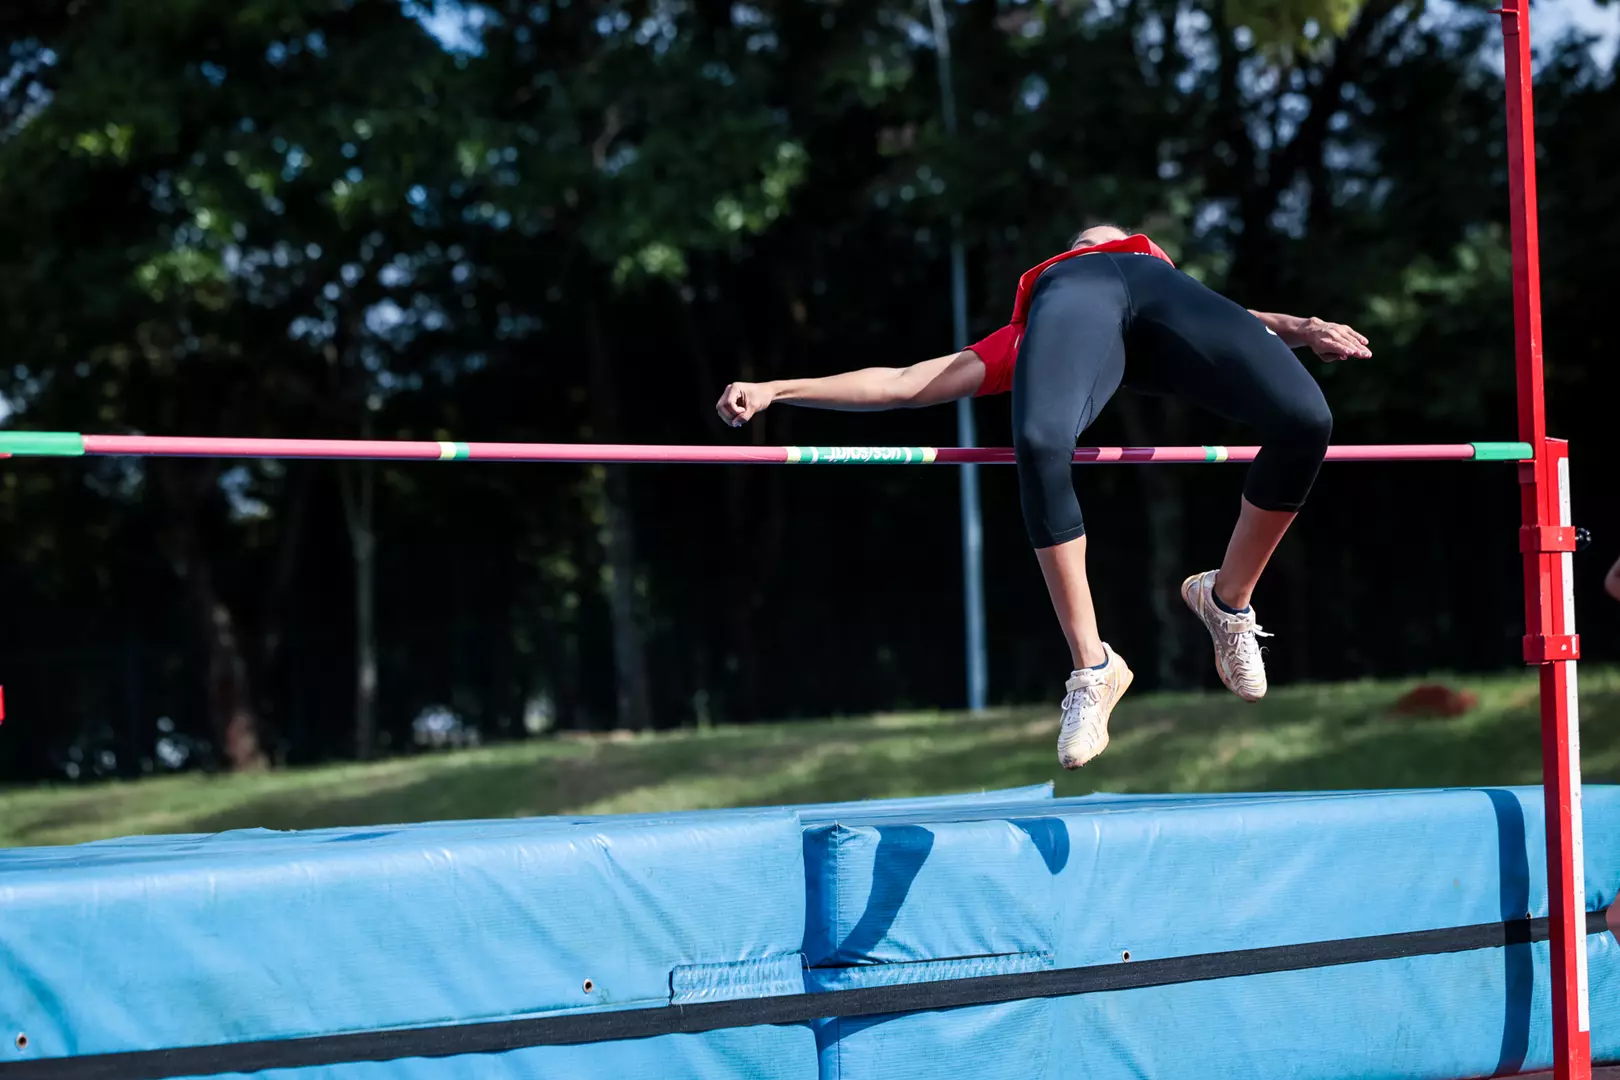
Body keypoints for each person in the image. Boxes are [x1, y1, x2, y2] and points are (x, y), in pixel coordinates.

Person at [715, 226, 1371, 769]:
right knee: (1038, 440)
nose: (1097, 232)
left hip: (1166, 295)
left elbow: (1243, 325)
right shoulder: (1047, 315)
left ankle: (1226, 601)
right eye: (1089, 236)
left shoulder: (1159, 274)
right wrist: (777, 386)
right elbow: (906, 382)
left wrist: (1307, 327)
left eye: (1106, 235)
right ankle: (1094, 668)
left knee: (1307, 421)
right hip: (1072, 300)